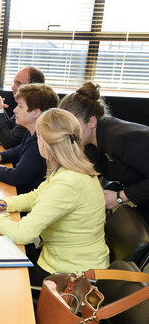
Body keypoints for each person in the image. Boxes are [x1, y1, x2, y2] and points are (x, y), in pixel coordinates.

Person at [0, 108, 109, 286]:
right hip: (66, 263)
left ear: (43, 142)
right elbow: (35, 196)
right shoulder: (69, 170)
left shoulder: (68, 182)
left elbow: (23, 234)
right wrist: (1, 204)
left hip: (71, 277)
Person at [60, 82, 149, 224]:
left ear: (92, 122)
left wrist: (120, 197)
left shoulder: (120, 138)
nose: (67, 132)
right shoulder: (90, 141)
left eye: (72, 126)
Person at [0, 84, 59, 195]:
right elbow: (19, 150)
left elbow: (17, 176)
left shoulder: (41, 142)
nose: (15, 110)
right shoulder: (32, 132)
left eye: (20, 106)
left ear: (36, 112)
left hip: (27, 200)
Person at [0, 66, 45, 149]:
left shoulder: (34, 110)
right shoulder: (28, 103)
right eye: (14, 83)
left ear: (32, 87)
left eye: (18, 84)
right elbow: (11, 127)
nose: (13, 87)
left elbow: (9, 141)